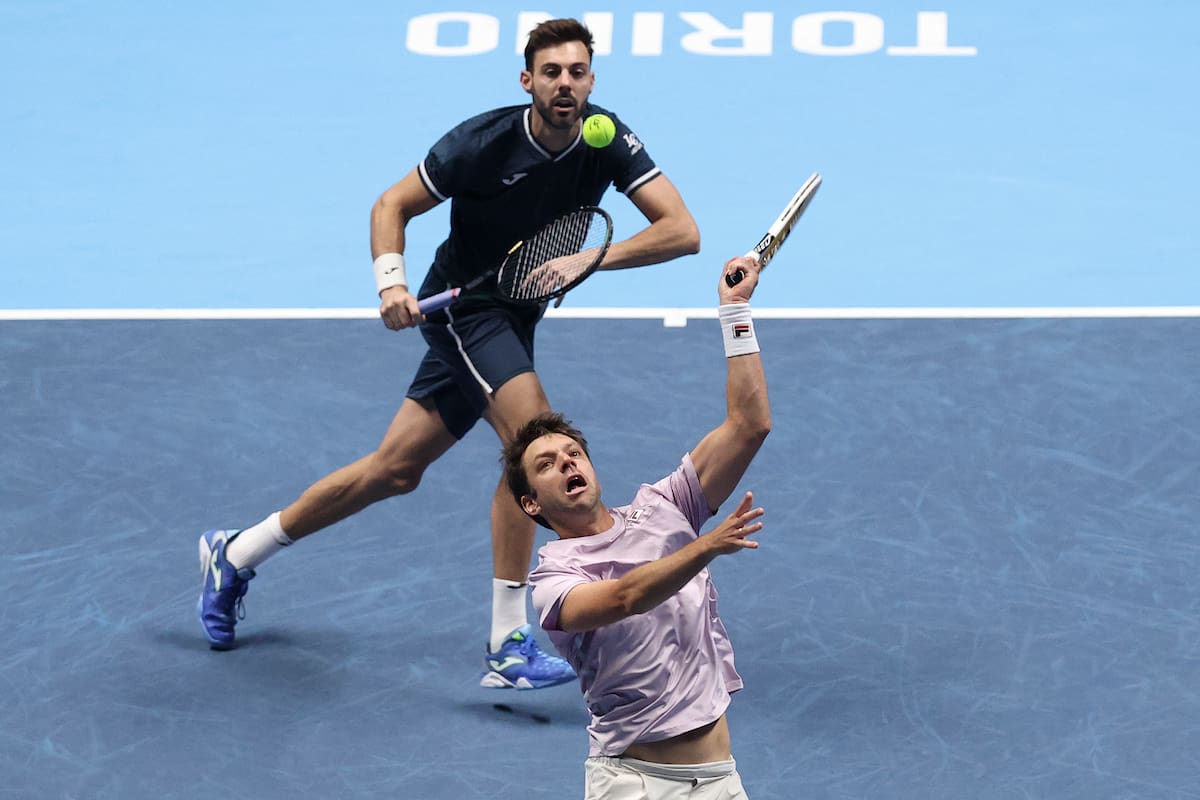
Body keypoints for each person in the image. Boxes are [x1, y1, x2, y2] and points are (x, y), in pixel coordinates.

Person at [196, 17, 700, 692]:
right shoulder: (482, 143)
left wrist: (592, 258)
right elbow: (391, 204)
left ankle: (235, 553)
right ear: (527, 81)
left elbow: (682, 231)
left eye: (577, 72)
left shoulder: (607, 138)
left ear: (591, 81)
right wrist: (391, 282)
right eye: (551, 73)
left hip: (516, 316)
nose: (564, 84)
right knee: (535, 444)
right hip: (467, 308)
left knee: (394, 471)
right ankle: (507, 640)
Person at [504, 253, 770, 797]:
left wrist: (735, 312)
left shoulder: (667, 507)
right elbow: (625, 597)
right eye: (547, 465)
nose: (567, 464)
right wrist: (705, 548)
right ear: (532, 505)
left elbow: (750, 425)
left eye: (573, 453)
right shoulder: (553, 585)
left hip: (720, 779)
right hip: (636, 785)